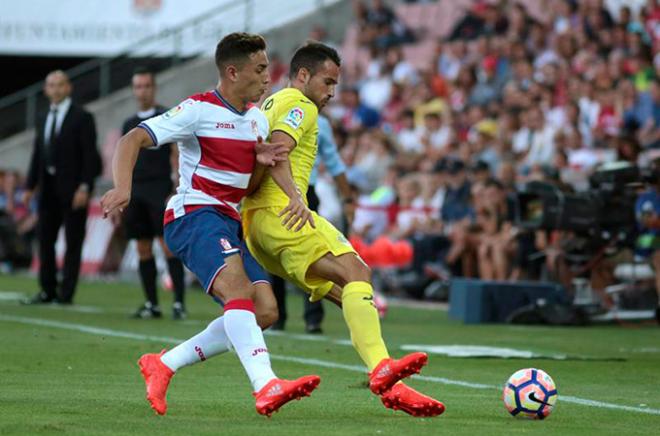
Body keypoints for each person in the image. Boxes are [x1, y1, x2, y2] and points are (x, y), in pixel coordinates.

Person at [100, 32, 320, 417]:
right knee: (237, 288)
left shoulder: (254, 119)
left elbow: (248, 184)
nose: (269, 77)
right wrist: (123, 187)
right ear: (233, 72)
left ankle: (164, 364)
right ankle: (266, 385)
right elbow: (131, 139)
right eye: (261, 68)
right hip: (193, 214)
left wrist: (261, 161)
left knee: (266, 310)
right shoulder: (197, 110)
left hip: (228, 220)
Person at [242, 42, 445, 417]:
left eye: (336, 85)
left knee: (343, 292)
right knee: (358, 271)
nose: (331, 93)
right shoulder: (300, 105)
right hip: (283, 214)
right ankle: (383, 371)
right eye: (327, 82)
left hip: (258, 228)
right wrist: (295, 199)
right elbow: (277, 150)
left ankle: (392, 386)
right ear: (303, 75)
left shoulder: (269, 103)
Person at [271, 113, 355, 333]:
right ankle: (305, 317)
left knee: (306, 254)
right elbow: (335, 164)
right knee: (286, 254)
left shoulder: (314, 121)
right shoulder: (316, 121)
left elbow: (334, 163)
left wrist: (347, 198)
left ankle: (301, 316)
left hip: (300, 193)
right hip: (279, 191)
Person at [23, 70, 101, 305]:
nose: (55, 89)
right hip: (47, 190)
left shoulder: (82, 117)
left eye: (60, 84)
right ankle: (47, 290)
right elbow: (38, 152)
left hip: (74, 190)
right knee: (45, 240)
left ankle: (66, 294)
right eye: (51, 85)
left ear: (68, 88)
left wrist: (85, 187)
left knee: (72, 242)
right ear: (46, 90)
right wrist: (30, 186)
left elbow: (90, 157)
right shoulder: (42, 116)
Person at [119, 67, 186, 320]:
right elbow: (124, 158)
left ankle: (178, 302)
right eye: (138, 86)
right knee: (142, 248)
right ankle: (152, 304)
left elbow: (175, 154)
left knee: (167, 246)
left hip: (160, 189)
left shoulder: (166, 116)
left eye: (146, 85)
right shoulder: (129, 124)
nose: (142, 91)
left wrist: (176, 188)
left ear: (153, 88)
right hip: (136, 191)